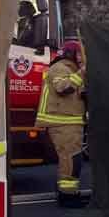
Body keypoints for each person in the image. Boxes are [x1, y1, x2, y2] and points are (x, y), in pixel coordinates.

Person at [36, 40, 87, 208]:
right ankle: (67, 197)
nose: (82, 58)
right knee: (70, 161)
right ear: (70, 54)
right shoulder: (60, 68)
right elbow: (62, 88)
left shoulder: (70, 69)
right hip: (63, 123)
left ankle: (70, 193)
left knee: (72, 160)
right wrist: (82, 73)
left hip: (70, 123)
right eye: (79, 53)